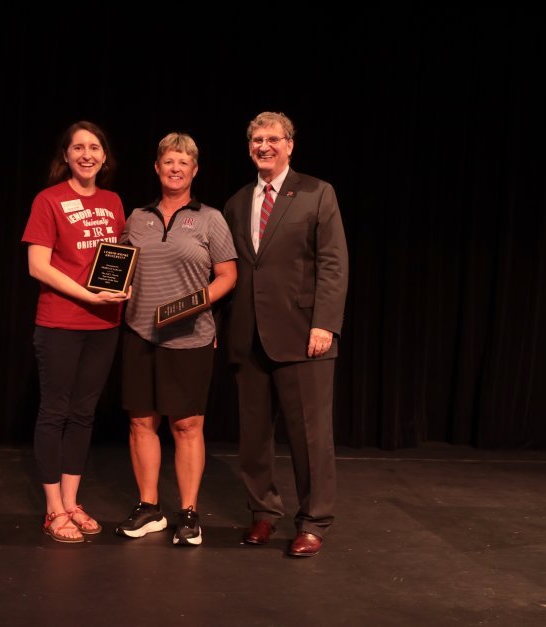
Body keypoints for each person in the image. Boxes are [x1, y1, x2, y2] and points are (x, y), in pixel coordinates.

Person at [223, 111, 349, 557]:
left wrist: (325, 323)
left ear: (290, 144)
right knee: (254, 437)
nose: (264, 146)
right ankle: (263, 515)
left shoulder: (317, 192)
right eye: (257, 139)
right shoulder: (237, 202)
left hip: (303, 335)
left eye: (273, 138)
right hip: (248, 335)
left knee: (310, 438)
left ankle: (313, 522)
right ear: (249, 147)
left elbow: (333, 262)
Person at [115, 132, 237, 546]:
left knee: (186, 425)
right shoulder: (137, 218)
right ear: (157, 167)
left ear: (195, 170)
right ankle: (149, 508)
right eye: (168, 161)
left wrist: (194, 303)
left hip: (190, 337)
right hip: (139, 334)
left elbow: (228, 276)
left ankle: (187, 512)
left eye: (183, 162)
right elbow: (119, 269)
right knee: (141, 422)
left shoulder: (210, 218)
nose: (175, 168)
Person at [21, 121, 130, 543]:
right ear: (65, 155)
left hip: (104, 324)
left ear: (105, 156)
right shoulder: (49, 200)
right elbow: (37, 266)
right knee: (55, 412)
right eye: (78, 147)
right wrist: (86, 293)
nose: (87, 154)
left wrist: (126, 283)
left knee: (84, 414)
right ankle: (53, 511)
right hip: (61, 322)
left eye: (95, 147)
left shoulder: (113, 200)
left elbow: (118, 259)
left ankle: (72, 502)